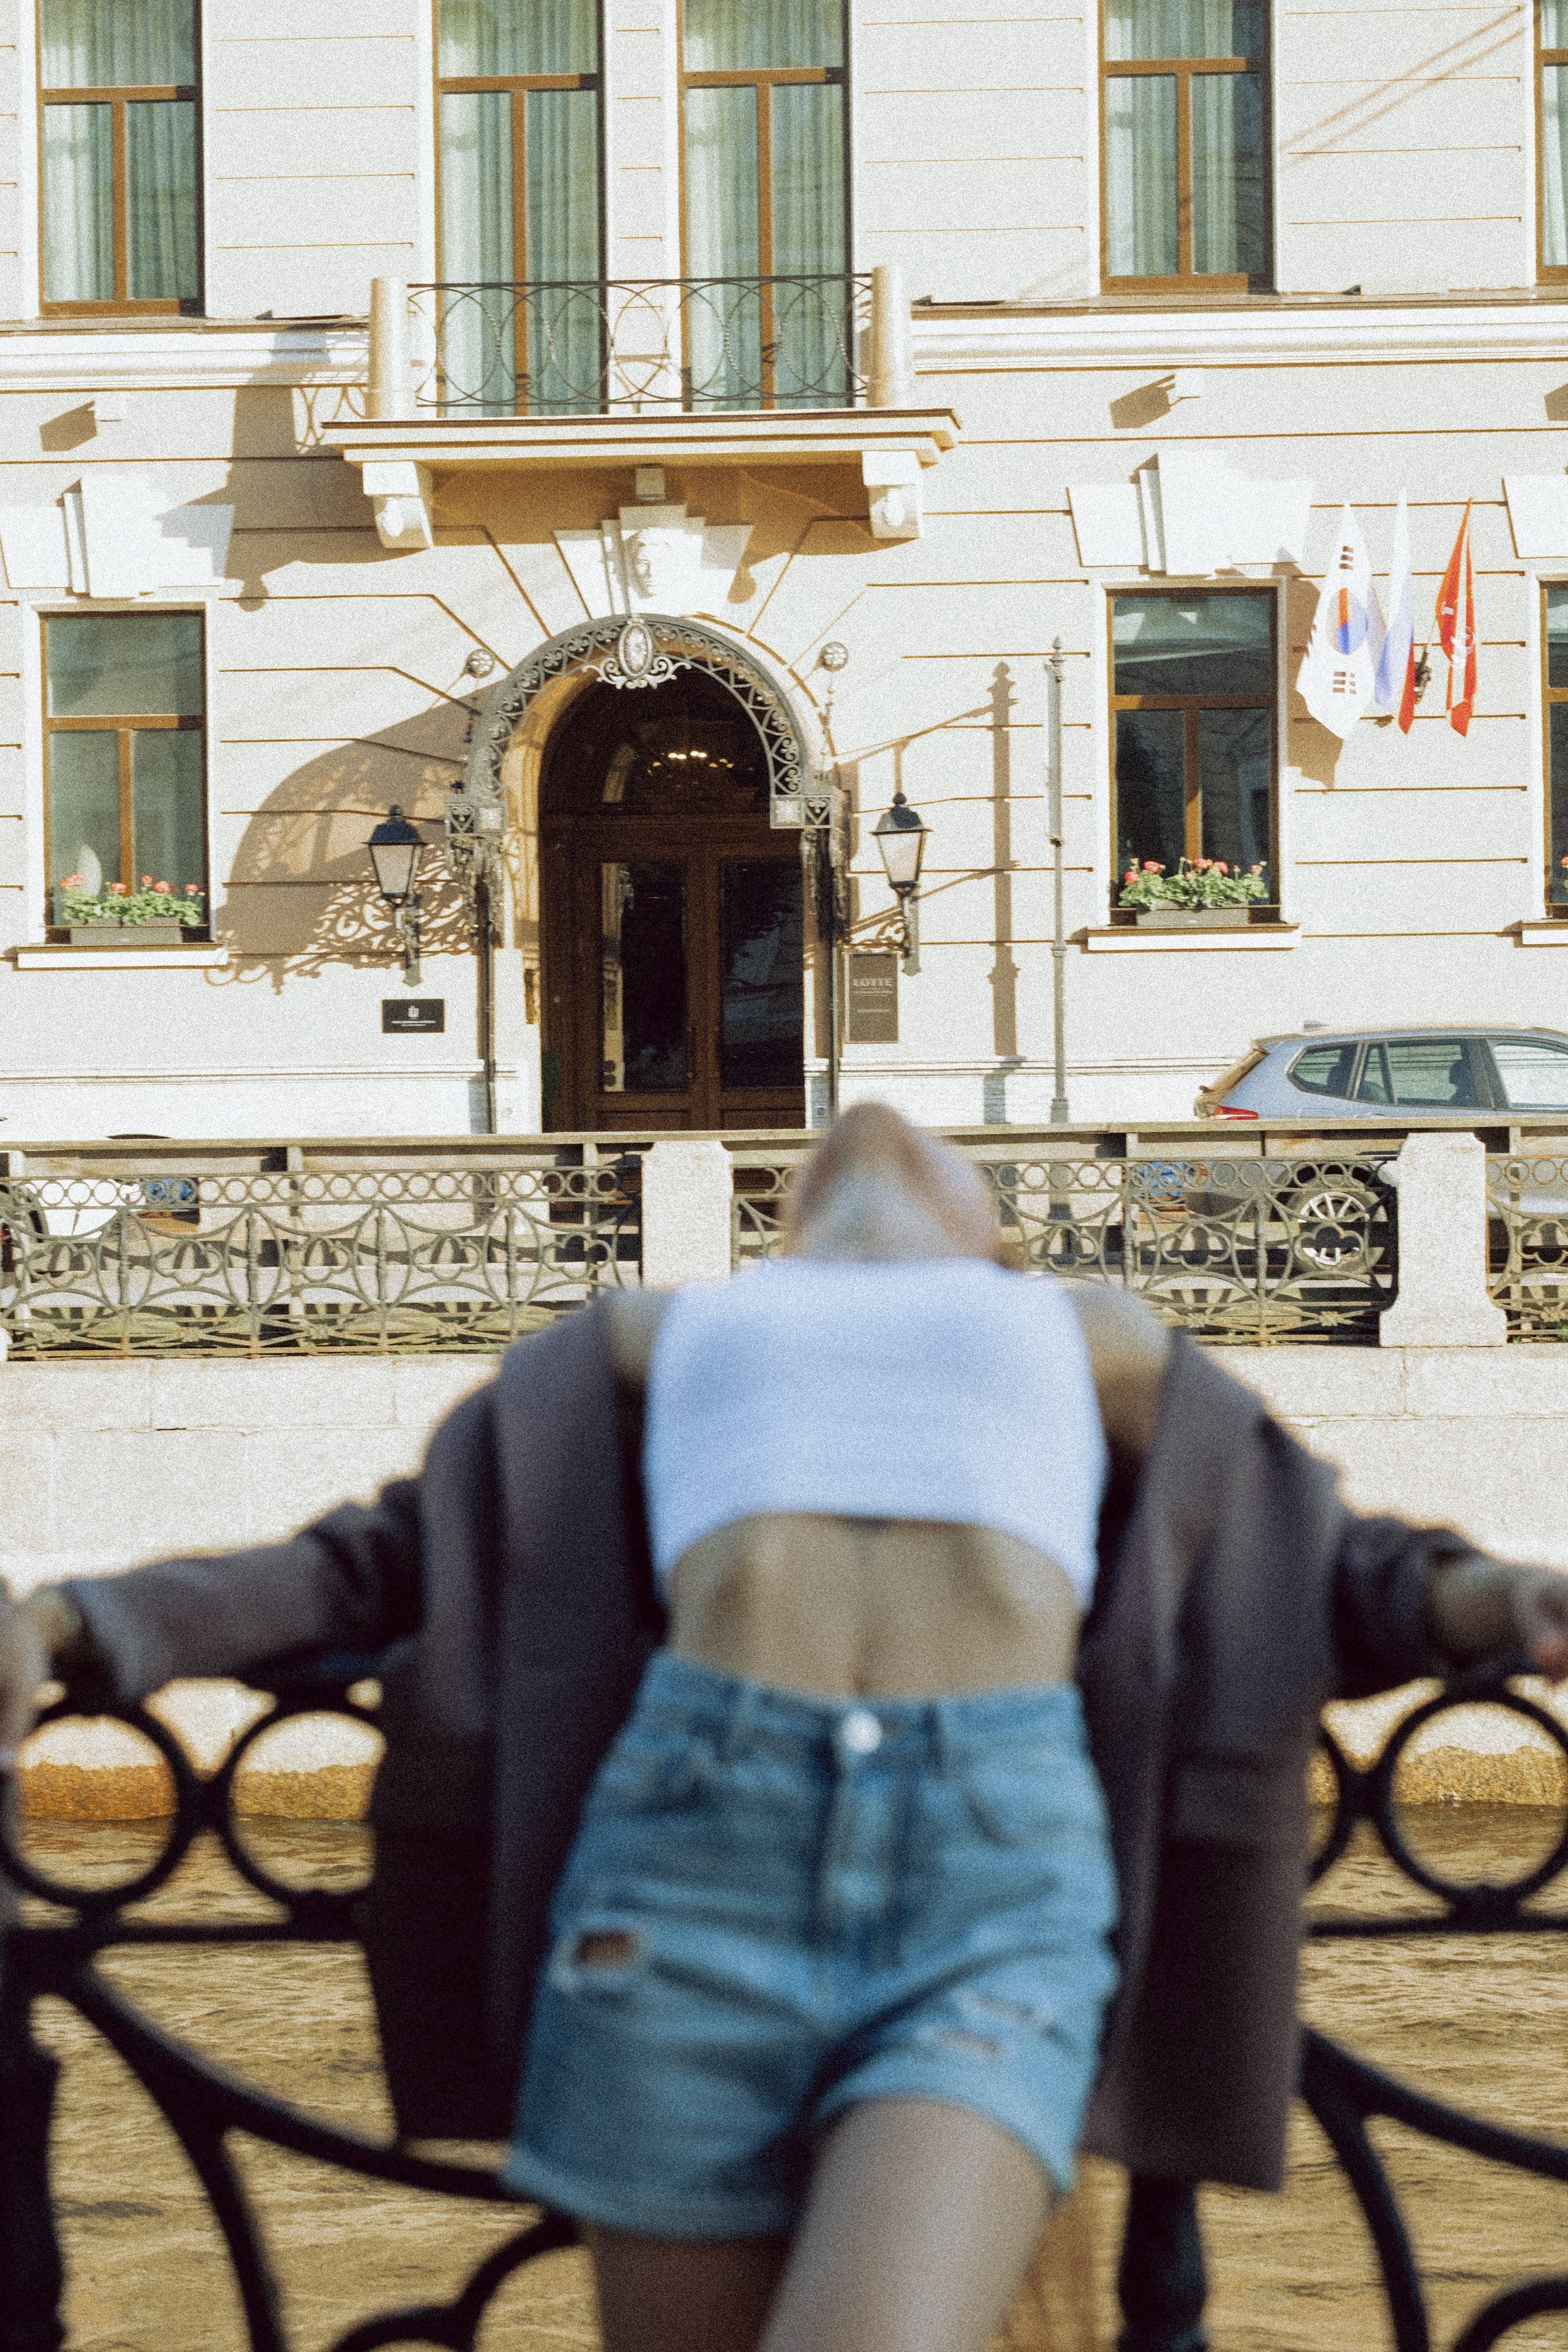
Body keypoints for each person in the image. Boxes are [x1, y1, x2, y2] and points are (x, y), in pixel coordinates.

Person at [2, 1104, 1566, 2352]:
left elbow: (1327, 1562)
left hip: (990, 1907)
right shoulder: (655, 1344)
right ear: (787, 1241)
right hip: (679, 1898)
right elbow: (356, 1568)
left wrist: (1509, 1603)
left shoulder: (1082, 1343)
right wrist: (66, 1623)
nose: (874, 1126)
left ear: (992, 1246)